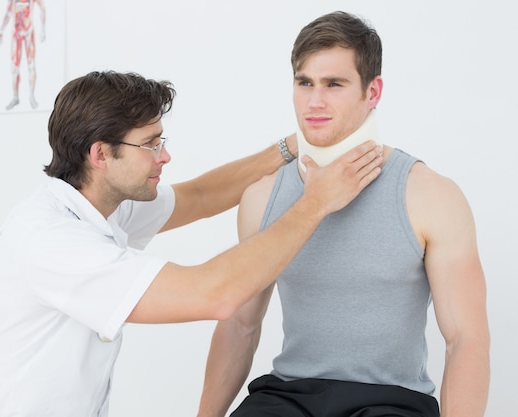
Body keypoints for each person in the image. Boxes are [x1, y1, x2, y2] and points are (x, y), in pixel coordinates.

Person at [0, 70, 383, 417]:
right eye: (151, 144)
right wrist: (316, 202)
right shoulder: (53, 243)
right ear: (100, 155)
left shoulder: (104, 203)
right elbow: (214, 295)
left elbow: (200, 196)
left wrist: (295, 145)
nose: (165, 155)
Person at [197, 11, 490, 417]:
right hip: (288, 397)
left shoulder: (430, 195)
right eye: (305, 83)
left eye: (334, 84)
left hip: (391, 400)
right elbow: (241, 325)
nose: (315, 101)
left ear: (373, 92)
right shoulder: (262, 197)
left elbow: (466, 339)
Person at [0, 0, 46, 110]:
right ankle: (15, 97)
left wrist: (43, 28)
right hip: (16, 32)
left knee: (31, 64)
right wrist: (1, 30)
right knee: (14, 67)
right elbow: (8, 12)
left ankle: (32, 95)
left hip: (28, 32)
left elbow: (42, 7)